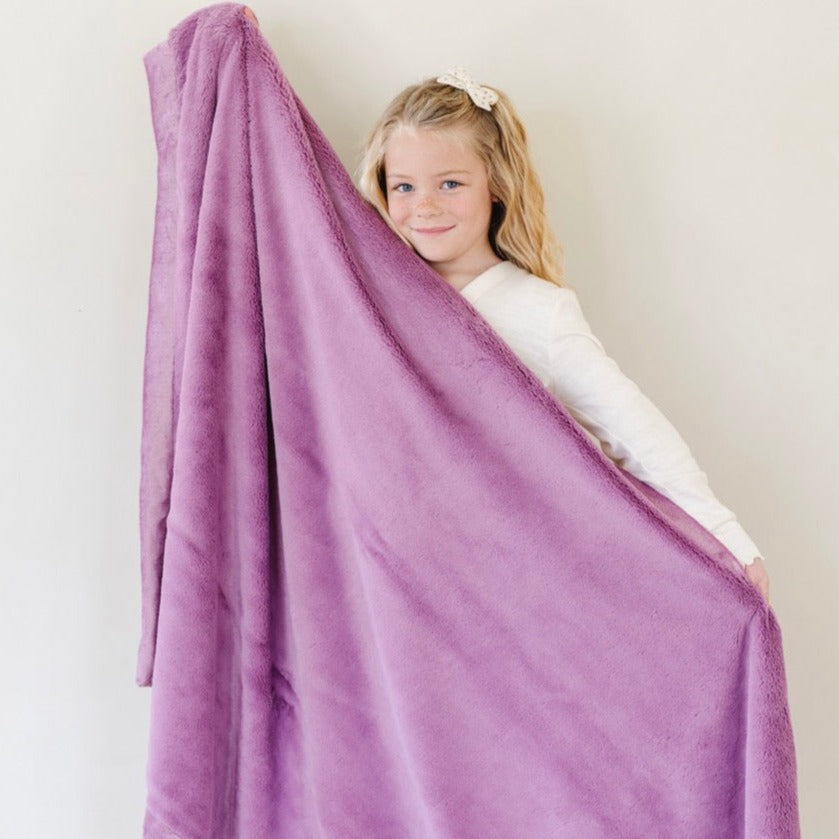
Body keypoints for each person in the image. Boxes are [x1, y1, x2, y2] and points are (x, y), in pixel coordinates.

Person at [239, 9, 769, 605]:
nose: (424, 206)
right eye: (403, 186)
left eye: (450, 183)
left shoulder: (537, 311)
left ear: (495, 185)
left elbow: (635, 433)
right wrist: (241, 59)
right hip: (382, 578)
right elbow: (285, 211)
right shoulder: (373, 295)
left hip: (492, 584)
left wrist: (730, 541)